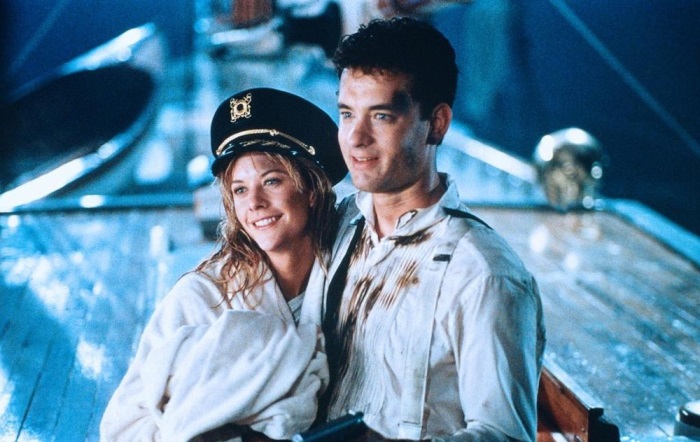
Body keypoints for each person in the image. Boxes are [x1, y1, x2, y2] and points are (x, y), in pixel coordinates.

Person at [306, 17, 546, 441]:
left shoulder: (483, 274)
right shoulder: (338, 228)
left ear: (436, 123)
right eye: (346, 114)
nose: (356, 138)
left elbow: (505, 435)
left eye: (381, 116)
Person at [100, 87, 347, 441]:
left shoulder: (346, 269)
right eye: (240, 189)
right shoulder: (200, 296)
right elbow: (123, 426)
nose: (255, 203)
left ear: (310, 188)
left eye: (271, 181)